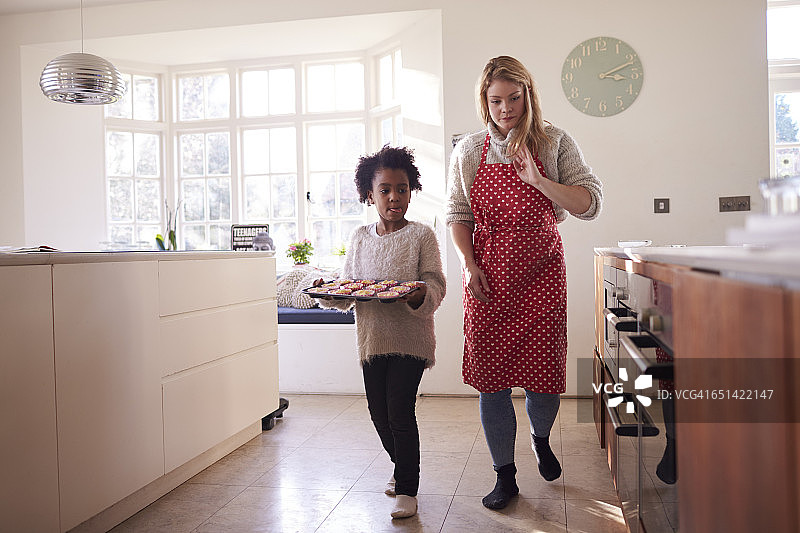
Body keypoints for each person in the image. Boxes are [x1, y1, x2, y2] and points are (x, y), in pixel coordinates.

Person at [445, 55, 603, 510]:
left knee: (544, 382)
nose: (505, 109)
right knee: (491, 383)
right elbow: (458, 216)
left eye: (514, 98)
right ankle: (505, 476)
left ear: (528, 95)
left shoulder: (554, 142)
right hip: (488, 279)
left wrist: (537, 178)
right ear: (484, 101)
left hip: (542, 277)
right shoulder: (469, 152)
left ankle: (540, 436)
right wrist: (469, 265)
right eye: (496, 101)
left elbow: (589, 202)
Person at [316, 145, 446, 519]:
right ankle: (400, 465)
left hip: (411, 338)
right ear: (368, 194)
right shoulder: (359, 237)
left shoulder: (422, 236)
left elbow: (435, 283)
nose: (394, 197)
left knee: (400, 411)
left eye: (402, 189)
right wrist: (330, 292)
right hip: (371, 339)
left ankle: (408, 487)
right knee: (378, 413)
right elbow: (349, 289)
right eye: (385, 190)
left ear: (411, 190)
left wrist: (422, 292)